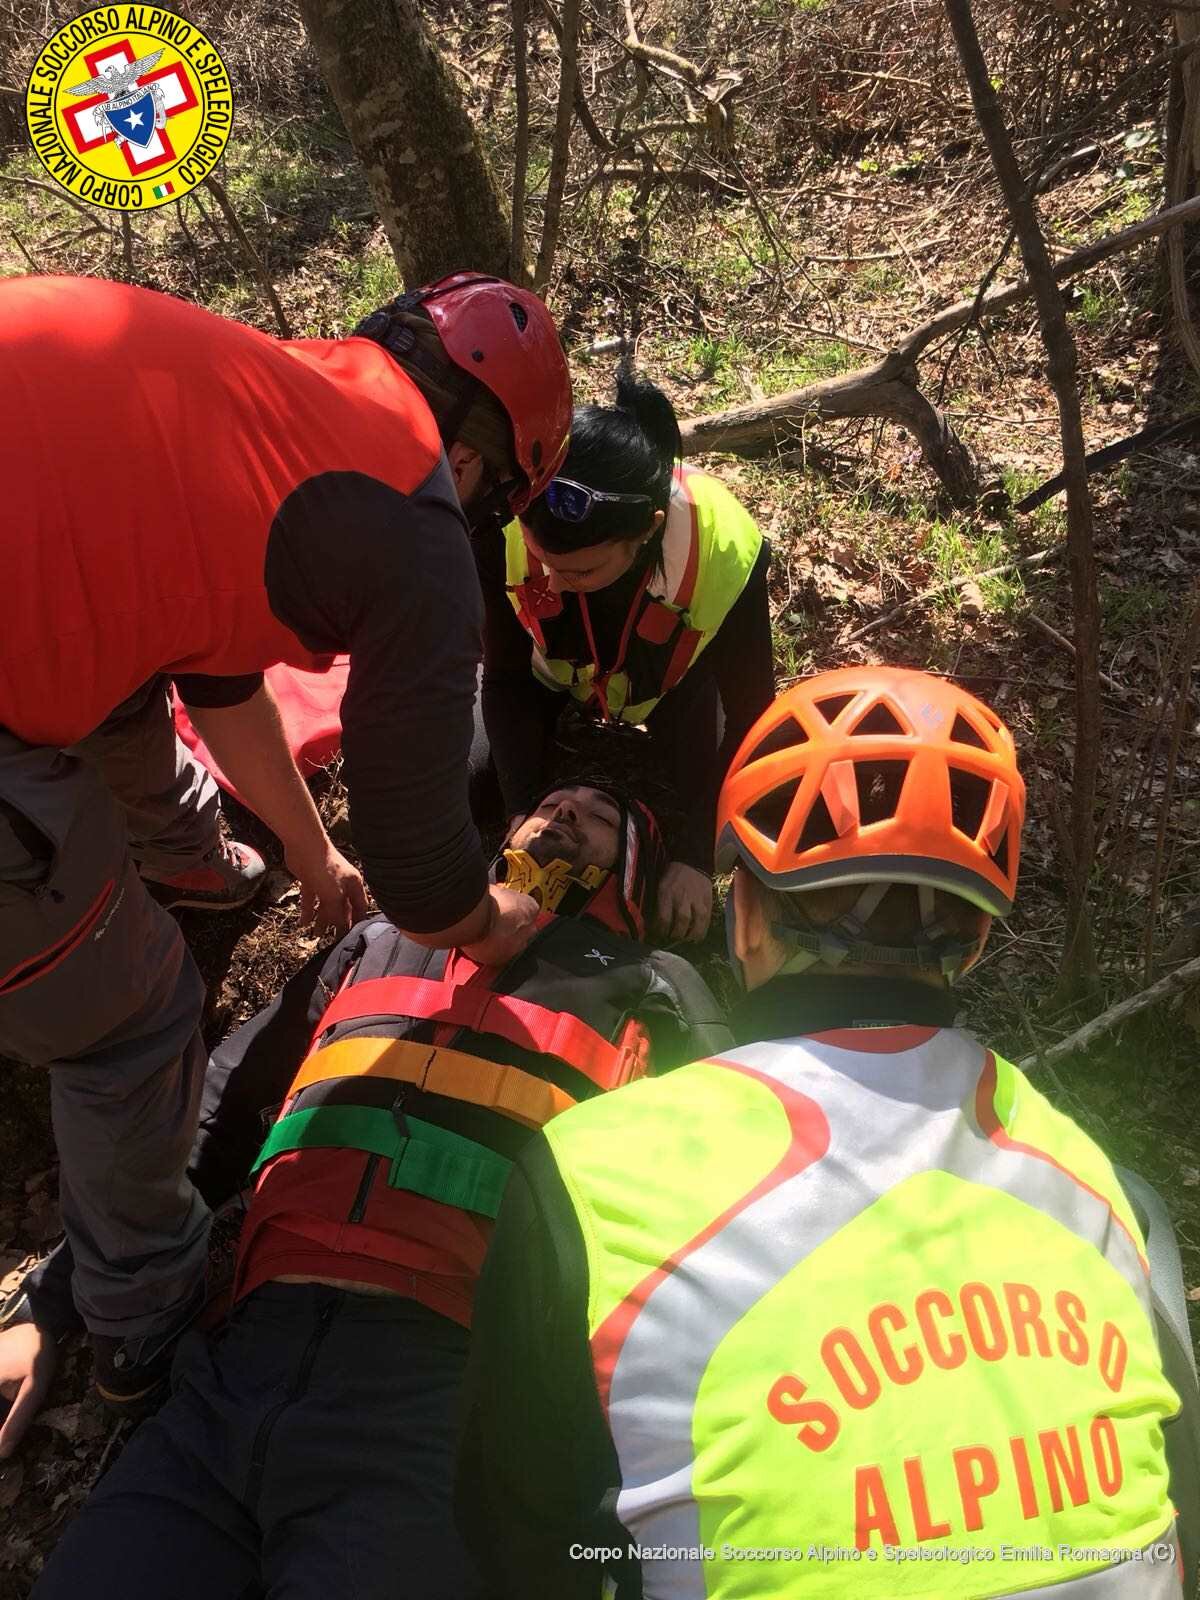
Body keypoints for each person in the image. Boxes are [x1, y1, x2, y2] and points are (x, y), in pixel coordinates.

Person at [458, 667, 1197, 1598]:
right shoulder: (1107, 1196)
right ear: (972, 943)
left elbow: (523, 1550)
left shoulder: (591, 1176)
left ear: (746, 924)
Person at [0, 270, 571, 1422]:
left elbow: (210, 668)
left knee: (120, 680)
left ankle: (195, 862)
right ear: (473, 470)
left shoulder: (282, 392)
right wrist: (491, 919)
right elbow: (421, 870)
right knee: (134, 1024)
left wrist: (312, 857)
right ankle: (141, 1316)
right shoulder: (412, 528)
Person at [30, 783, 731, 1600]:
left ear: (637, 873)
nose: (565, 816)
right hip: (232, 1373)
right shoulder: (378, 938)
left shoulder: (657, 984)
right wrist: (53, 1301)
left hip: (443, 1396)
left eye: (601, 818)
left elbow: (729, 1195)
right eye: (549, 805)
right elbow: (208, 1123)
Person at [471, 371, 774, 945]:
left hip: (672, 688)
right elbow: (506, 677)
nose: (554, 582)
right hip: (544, 676)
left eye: (580, 571)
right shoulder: (507, 521)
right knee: (466, 784)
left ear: (647, 532)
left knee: (701, 802)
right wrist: (518, 810)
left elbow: (752, 714)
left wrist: (693, 854)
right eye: (542, 560)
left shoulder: (726, 552)